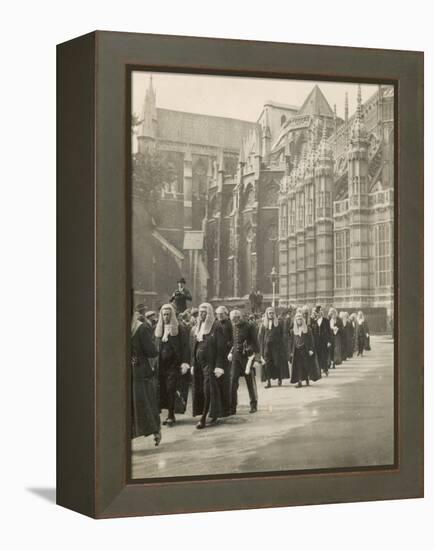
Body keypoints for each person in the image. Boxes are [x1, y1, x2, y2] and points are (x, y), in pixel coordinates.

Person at [154, 303, 190, 427]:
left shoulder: (180, 327)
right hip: (162, 365)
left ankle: (171, 414)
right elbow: (156, 346)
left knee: (171, 388)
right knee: (163, 389)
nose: (166, 317)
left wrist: (185, 362)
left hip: (174, 364)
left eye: (168, 314)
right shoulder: (159, 328)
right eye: (164, 315)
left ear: (172, 314)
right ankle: (167, 413)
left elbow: (185, 347)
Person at [190, 303, 224, 429]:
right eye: (200, 312)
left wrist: (219, 366)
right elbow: (194, 346)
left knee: (207, 388)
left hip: (210, 363)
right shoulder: (197, 326)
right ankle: (208, 412)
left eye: (204, 312)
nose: (201, 314)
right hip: (199, 363)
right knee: (199, 388)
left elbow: (221, 348)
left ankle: (204, 417)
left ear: (209, 313)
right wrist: (193, 363)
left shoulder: (216, 326)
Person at [131, 311, 161, 446]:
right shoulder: (140, 328)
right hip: (140, 370)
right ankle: (156, 431)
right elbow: (151, 351)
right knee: (147, 401)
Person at [228, 309, 261, 414]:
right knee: (233, 381)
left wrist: (255, 356)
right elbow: (233, 341)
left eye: (235, 319)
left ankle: (253, 404)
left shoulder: (249, 326)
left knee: (249, 381)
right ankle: (232, 407)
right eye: (232, 319)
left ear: (239, 317)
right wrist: (231, 351)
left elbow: (255, 342)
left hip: (247, 358)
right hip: (235, 358)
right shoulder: (232, 326)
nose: (233, 321)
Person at [258, 307, 290, 388]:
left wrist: (283, 348)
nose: (271, 314)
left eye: (272, 313)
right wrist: (261, 350)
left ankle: (279, 379)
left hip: (276, 348)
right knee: (267, 364)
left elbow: (282, 335)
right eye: (269, 313)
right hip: (267, 348)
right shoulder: (263, 325)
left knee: (277, 363)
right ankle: (268, 382)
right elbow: (261, 338)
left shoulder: (278, 323)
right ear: (267, 314)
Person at [214, 305, 232, 417]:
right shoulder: (216, 324)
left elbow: (233, 339)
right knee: (219, 382)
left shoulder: (229, 324)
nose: (219, 316)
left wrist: (229, 347)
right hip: (218, 356)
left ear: (226, 314)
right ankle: (221, 407)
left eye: (222, 314)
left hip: (226, 356)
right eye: (218, 314)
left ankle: (227, 407)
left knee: (226, 382)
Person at [290, 311, 315, 388]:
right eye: (297, 319)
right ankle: (299, 381)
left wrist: (311, 349)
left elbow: (311, 340)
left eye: (300, 319)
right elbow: (291, 342)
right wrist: (291, 351)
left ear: (302, 320)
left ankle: (307, 378)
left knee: (305, 365)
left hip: (305, 349)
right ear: (295, 321)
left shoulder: (308, 329)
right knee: (298, 366)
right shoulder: (292, 331)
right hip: (297, 350)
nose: (299, 321)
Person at [310, 305, 331, 377]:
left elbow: (329, 332)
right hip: (316, 341)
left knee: (324, 356)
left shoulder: (326, 321)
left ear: (321, 313)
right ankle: (318, 370)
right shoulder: (314, 321)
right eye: (316, 313)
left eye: (319, 313)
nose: (317, 314)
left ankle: (325, 369)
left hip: (324, 341)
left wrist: (329, 341)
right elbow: (312, 332)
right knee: (317, 355)